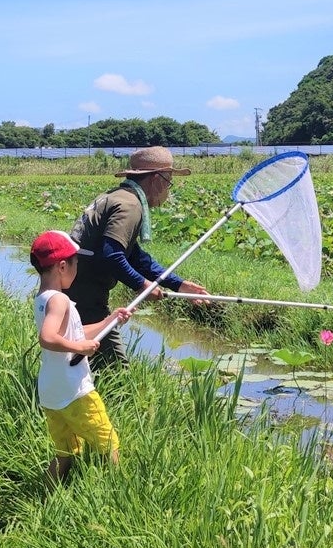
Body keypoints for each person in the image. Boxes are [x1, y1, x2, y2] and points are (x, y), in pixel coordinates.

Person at [67, 145, 211, 368]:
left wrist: (178, 284)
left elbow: (133, 256)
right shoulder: (130, 205)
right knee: (113, 367)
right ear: (157, 179)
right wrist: (142, 285)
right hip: (84, 291)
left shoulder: (118, 196)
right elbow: (112, 254)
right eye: (169, 181)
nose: (168, 189)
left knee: (81, 357)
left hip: (77, 285)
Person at [31, 229, 132, 483]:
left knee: (65, 453)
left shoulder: (43, 299)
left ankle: (45, 495)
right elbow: (48, 337)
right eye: (77, 263)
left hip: (51, 394)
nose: (79, 268)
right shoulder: (61, 301)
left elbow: (74, 332)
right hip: (75, 391)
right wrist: (79, 349)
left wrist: (110, 320)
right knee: (109, 443)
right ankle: (121, 495)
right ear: (63, 266)